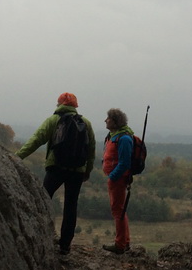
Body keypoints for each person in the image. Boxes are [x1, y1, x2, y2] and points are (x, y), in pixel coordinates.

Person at [15, 92, 96, 255]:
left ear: (59, 104)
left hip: (56, 167)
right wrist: (87, 171)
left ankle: (39, 235)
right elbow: (91, 150)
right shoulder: (86, 123)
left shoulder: (54, 120)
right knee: (71, 205)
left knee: (43, 199)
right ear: (75, 106)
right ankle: (65, 245)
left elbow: (36, 140)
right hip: (77, 171)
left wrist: (16, 157)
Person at [102, 108, 133, 254]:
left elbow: (125, 162)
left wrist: (113, 177)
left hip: (118, 179)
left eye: (108, 118)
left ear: (115, 121)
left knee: (118, 211)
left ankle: (120, 244)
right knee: (119, 210)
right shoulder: (114, 135)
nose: (106, 120)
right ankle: (124, 242)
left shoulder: (124, 138)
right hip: (115, 178)